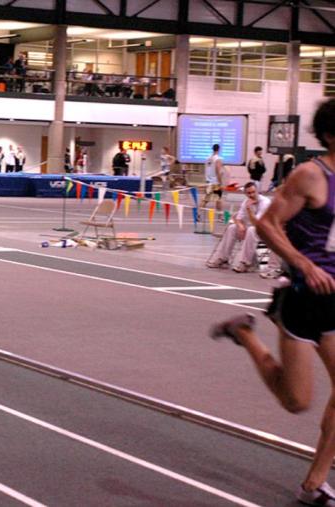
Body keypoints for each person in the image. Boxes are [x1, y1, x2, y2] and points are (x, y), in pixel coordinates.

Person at [210, 98, 335, 507]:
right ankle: (244, 333)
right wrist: (303, 263)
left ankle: (314, 483)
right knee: (296, 401)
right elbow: (267, 224)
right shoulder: (310, 176)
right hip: (301, 297)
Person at [206, 182, 271, 272]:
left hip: (266, 231)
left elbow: (257, 224)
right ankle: (223, 259)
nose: (251, 195)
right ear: (245, 193)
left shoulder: (265, 202)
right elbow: (237, 218)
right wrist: (240, 226)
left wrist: (249, 209)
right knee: (232, 228)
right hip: (252, 229)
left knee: (251, 230)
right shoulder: (246, 202)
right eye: (249, 193)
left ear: (257, 191)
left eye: (253, 192)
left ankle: (245, 263)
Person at [202, 143, 225, 213]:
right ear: (219, 149)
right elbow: (218, 171)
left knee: (206, 199)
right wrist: (221, 183)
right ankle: (220, 216)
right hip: (215, 183)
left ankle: (198, 214)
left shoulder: (208, 158)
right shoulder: (218, 159)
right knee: (219, 199)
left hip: (209, 181)